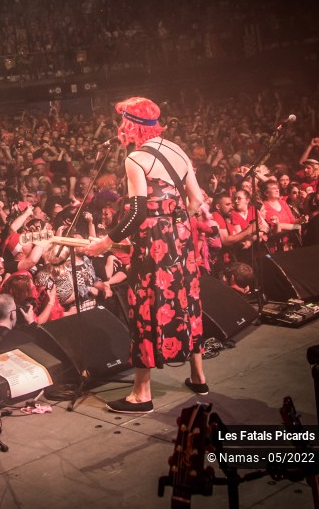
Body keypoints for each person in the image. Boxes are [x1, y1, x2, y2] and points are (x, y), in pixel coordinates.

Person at [84, 96, 209, 413]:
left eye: (122, 121)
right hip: (181, 239)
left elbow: (137, 212)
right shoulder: (177, 150)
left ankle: (141, 394)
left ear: (131, 125)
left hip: (154, 246)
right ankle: (198, 377)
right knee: (186, 300)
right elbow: (196, 200)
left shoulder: (136, 159)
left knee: (147, 306)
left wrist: (105, 243)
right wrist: (175, 224)